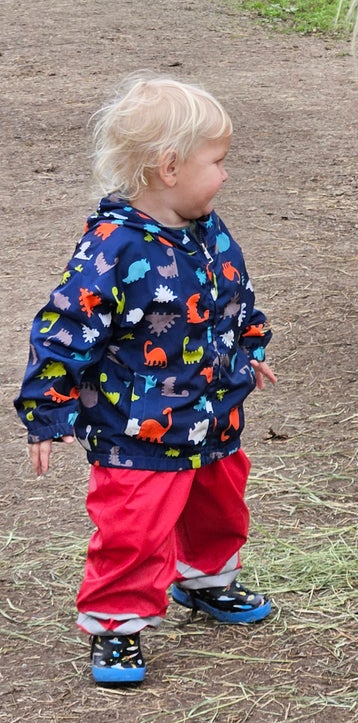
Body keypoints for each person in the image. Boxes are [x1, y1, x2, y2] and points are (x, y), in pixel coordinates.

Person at [14, 74, 277, 686]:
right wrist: (48, 409)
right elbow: (64, 328)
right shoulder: (113, 249)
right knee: (133, 528)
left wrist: (250, 341)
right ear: (169, 167)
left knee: (219, 502)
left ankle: (206, 580)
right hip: (138, 427)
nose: (225, 176)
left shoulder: (207, 229)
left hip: (213, 411)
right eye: (217, 162)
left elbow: (232, 293)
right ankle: (117, 624)